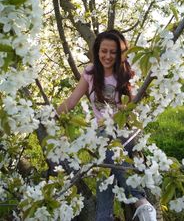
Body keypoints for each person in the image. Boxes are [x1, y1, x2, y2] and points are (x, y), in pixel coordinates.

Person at [57, 30, 157, 221]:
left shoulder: (128, 73)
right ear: (97, 51)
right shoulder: (90, 73)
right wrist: (48, 117)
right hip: (102, 134)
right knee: (105, 178)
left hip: (126, 132)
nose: (108, 56)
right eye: (104, 51)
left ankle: (139, 200)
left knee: (107, 151)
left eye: (113, 52)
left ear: (120, 54)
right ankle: (127, 211)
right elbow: (71, 102)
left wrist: (123, 110)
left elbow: (133, 109)